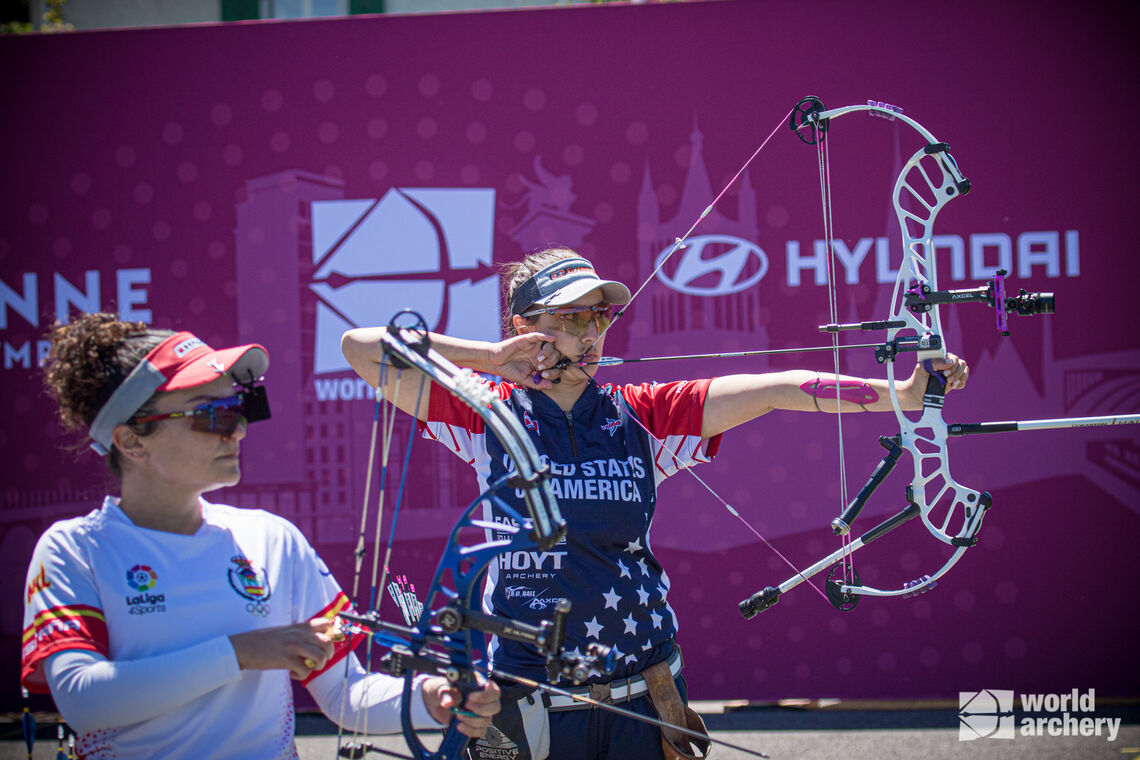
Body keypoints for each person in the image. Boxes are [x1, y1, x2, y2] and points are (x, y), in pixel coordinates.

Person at [341, 247, 969, 760]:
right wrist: (494, 359)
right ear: (525, 326)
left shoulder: (643, 414)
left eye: (599, 317)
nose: (593, 333)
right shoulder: (483, 411)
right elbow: (361, 348)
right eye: (572, 317)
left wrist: (904, 393)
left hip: (645, 701)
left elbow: (781, 388)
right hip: (531, 703)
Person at [21, 313, 500, 760]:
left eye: (239, 407)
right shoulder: (75, 549)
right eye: (212, 415)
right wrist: (243, 652)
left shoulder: (272, 539)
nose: (237, 431)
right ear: (130, 441)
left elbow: (345, 693)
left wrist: (431, 699)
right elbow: (84, 700)